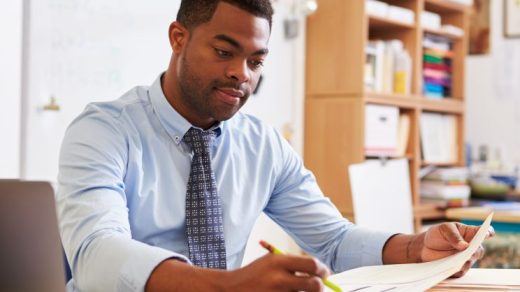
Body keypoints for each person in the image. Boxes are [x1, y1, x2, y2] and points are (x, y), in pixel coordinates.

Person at [56, 0, 493, 291]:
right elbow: (96, 254)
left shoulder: (262, 144)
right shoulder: (103, 130)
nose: (241, 74)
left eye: (256, 61)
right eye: (224, 51)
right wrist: (232, 285)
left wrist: (416, 248)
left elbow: (334, 239)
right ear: (178, 38)